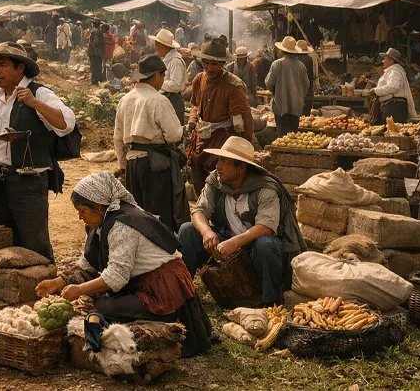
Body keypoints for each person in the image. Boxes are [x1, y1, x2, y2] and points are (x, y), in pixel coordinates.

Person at [36, 172, 212, 358]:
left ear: (97, 206)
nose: (80, 217)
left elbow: (116, 277)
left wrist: (79, 289)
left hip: (163, 289)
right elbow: (89, 263)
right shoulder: (101, 223)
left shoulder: (122, 225)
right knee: (99, 300)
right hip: (143, 282)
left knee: (103, 307)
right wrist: (58, 282)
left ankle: (162, 323)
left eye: (82, 211)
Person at [0, 43, 76, 261]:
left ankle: (43, 285)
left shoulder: (40, 93)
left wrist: (34, 103)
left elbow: (66, 123)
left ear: (20, 68)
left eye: (3, 65)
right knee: (4, 239)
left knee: (34, 241)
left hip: (29, 182)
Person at [177, 137, 304, 306]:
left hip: (253, 249)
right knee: (187, 231)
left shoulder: (265, 187)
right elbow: (199, 211)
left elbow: (265, 227)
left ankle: (271, 302)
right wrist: (207, 232)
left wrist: (234, 243)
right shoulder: (216, 180)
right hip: (226, 243)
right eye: (218, 160)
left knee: (266, 244)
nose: (218, 166)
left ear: (241, 167)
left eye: (224, 161)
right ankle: (182, 295)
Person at [114, 55, 186, 231]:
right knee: (159, 216)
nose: (163, 79)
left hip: (132, 163)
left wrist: (123, 164)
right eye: (163, 75)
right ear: (156, 76)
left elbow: (118, 136)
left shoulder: (125, 99)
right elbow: (175, 135)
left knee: (137, 214)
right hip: (155, 165)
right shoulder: (159, 100)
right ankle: (161, 254)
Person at [185, 38, 254, 192]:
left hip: (223, 139)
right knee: (198, 180)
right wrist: (192, 121)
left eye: (214, 64)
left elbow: (244, 121)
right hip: (200, 139)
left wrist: (245, 150)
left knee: (220, 183)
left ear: (223, 64)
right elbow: (195, 105)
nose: (209, 68)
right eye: (206, 63)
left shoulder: (233, 86)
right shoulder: (199, 79)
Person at [265, 36, 311, 138]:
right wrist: (300, 96)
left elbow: (269, 83)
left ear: (282, 51)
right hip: (296, 104)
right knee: (294, 136)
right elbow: (306, 84)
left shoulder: (276, 64)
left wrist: (275, 92)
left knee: (283, 136)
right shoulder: (301, 65)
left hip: (280, 104)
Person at [372, 48, 416, 124]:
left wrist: (375, 91)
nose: (382, 61)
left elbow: (392, 87)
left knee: (393, 132)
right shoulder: (392, 71)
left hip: (394, 107)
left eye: (385, 59)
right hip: (392, 106)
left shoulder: (395, 72)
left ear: (391, 61)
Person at [152, 29, 187, 123]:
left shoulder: (175, 61)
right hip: (166, 99)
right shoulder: (167, 59)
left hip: (173, 100)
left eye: (157, 46)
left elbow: (176, 85)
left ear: (163, 47)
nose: (156, 48)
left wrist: (157, 83)